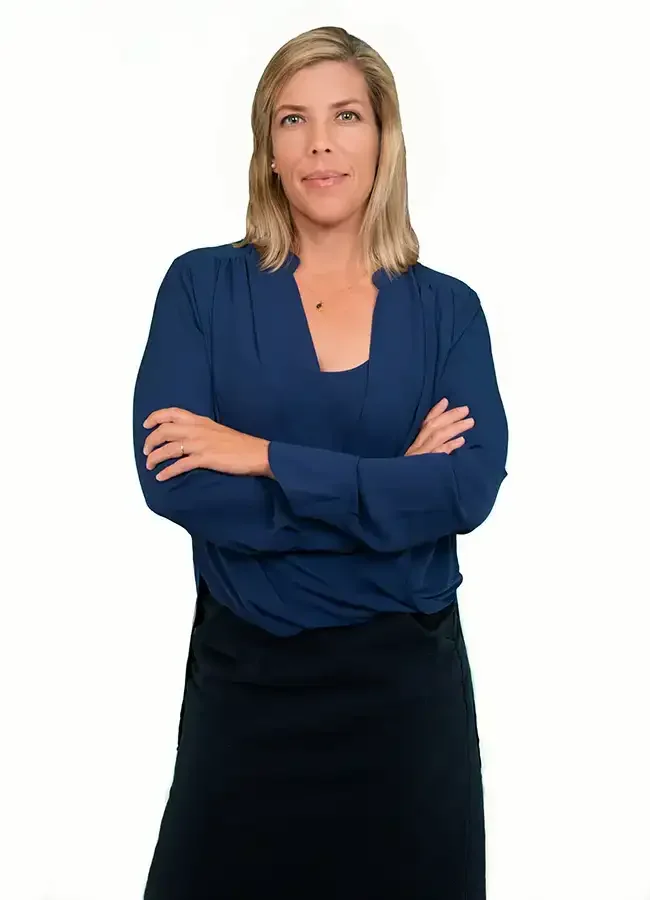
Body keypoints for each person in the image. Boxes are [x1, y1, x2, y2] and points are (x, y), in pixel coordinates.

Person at [133, 24, 508, 900]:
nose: (322, 144)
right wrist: (384, 492)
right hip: (248, 681)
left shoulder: (448, 310)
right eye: (293, 120)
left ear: (385, 139)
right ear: (267, 149)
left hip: (404, 697)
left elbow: (464, 488)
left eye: (347, 116)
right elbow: (175, 478)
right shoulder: (201, 288)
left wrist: (259, 455)